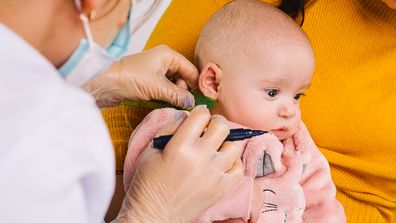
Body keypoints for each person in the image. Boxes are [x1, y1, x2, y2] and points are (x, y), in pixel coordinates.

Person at [103, 0, 396, 222]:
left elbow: (322, 198)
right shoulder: (176, 127)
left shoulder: (297, 149)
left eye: (298, 96)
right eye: (272, 93)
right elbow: (135, 171)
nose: (290, 110)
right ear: (213, 82)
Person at [0, 0, 245, 222]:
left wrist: (102, 81)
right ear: (93, 3)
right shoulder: (46, 135)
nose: (122, 24)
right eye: (127, 8)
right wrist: (152, 212)